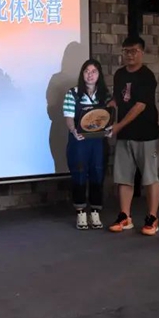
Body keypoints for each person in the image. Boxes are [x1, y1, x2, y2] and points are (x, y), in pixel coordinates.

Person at [108, 36, 159, 235]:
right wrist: (105, 112)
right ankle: (125, 216)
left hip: (145, 134)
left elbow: (140, 106)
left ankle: (152, 218)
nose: (129, 55)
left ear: (142, 53)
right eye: (126, 51)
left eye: (134, 51)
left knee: (150, 177)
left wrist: (118, 126)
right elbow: (118, 99)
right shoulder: (119, 74)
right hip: (124, 135)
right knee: (124, 177)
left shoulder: (147, 76)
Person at [63, 59, 112, 230]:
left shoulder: (105, 95)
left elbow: (111, 115)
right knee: (79, 174)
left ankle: (95, 212)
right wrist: (73, 130)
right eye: (86, 71)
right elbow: (69, 117)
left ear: (99, 75)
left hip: (98, 142)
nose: (90, 75)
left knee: (98, 174)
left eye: (94, 71)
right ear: (82, 74)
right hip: (79, 142)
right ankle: (81, 212)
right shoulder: (73, 93)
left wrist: (111, 128)